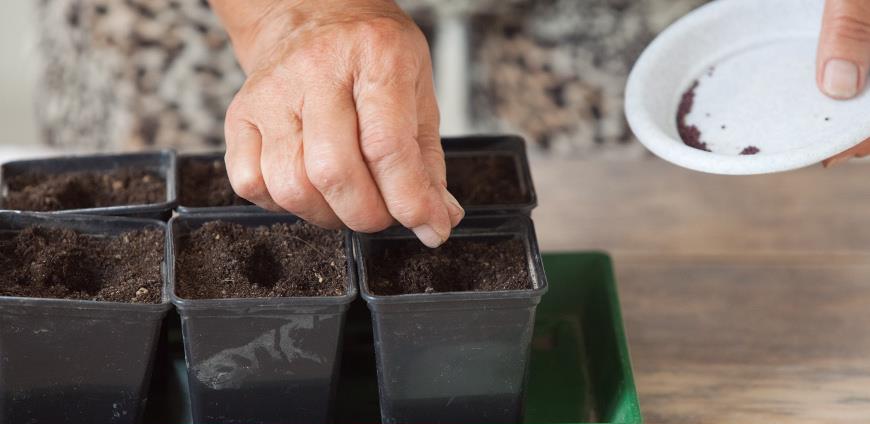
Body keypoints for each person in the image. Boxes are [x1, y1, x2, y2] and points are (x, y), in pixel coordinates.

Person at [33, 0, 870, 245]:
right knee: (248, 183)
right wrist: (292, 15)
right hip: (217, 31)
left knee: (663, 230)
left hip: (621, 39)